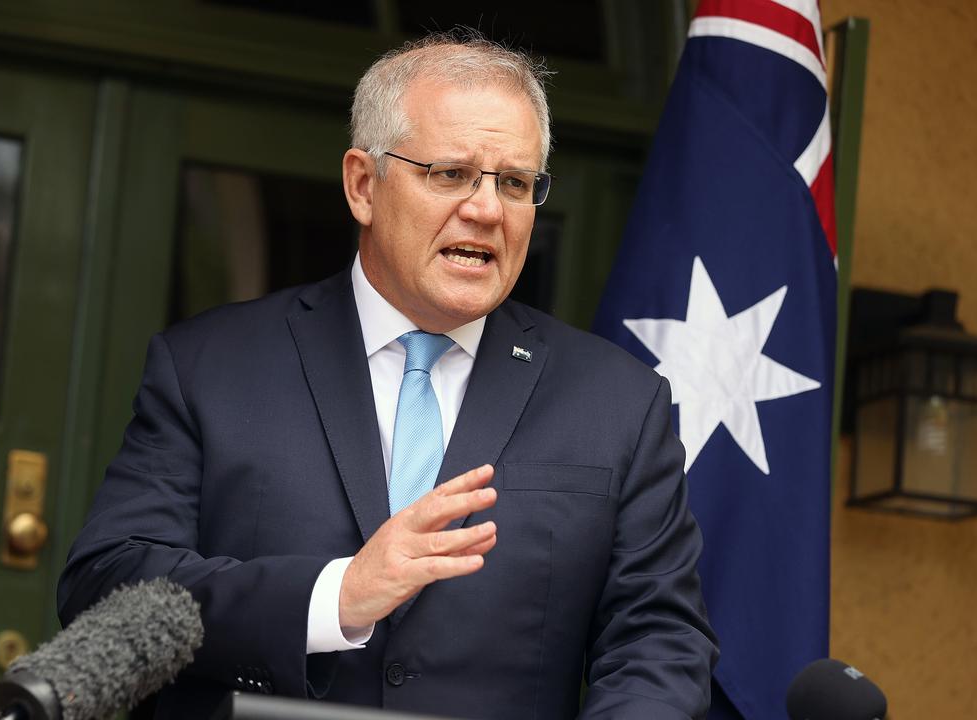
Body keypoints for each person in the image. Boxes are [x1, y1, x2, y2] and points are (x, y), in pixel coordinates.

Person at [58, 31, 718, 720]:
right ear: (363, 185)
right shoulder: (210, 366)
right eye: (451, 174)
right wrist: (334, 598)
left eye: (515, 183)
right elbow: (106, 586)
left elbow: (658, 639)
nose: (488, 209)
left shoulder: (618, 402)